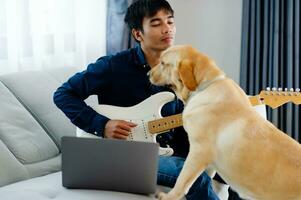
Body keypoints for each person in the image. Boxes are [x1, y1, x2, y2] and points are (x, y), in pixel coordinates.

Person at [53, 0, 219, 199]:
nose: (167, 29)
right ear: (138, 34)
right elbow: (63, 94)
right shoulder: (113, 66)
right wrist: (102, 125)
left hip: (168, 149)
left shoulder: (180, 67)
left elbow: (181, 119)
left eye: (170, 22)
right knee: (195, 176)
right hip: (125, 155)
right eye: (157, 24)